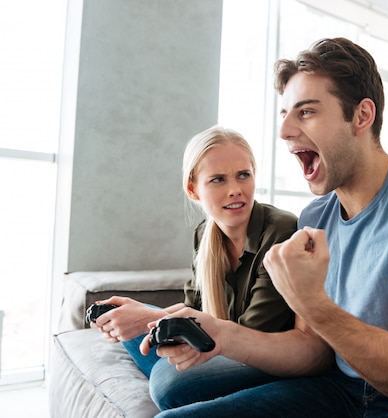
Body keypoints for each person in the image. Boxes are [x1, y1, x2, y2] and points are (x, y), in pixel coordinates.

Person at [143, 37, 388, 417]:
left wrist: (312, 301)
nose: (283, 130)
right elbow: (312, 350)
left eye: (306, 112)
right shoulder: (316, 217)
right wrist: (221, 334)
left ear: (362, 116)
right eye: (284, 113)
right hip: (344, 390)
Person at [91, 125, 297, 409]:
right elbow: (195, 309)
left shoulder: (280, 231)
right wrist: (141, 316)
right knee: (127, 319)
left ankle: (188, 377)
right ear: (193, 188)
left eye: (243, 175)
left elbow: (254, 332)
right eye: (218, 180)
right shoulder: (205, 234)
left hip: (260, 356)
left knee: (168, 386)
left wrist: (154, 320)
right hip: (217, 345)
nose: (235, 190)